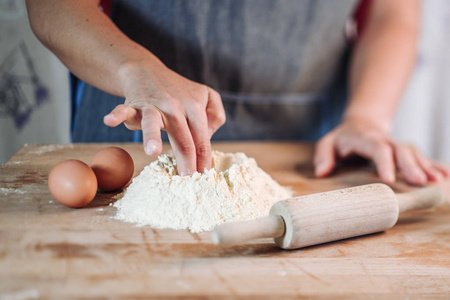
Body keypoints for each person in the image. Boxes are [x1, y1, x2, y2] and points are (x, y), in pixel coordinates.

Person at [26, 0, 449, 185]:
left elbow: (391, 15)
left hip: (307, 145)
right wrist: (136, 70)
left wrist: (367, 118)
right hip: (137, 128)